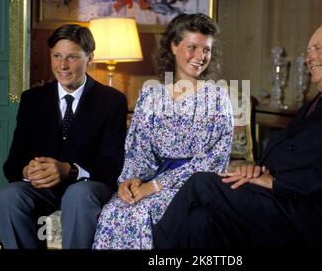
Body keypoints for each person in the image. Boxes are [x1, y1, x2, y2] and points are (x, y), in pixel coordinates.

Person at [152, 21, 322, 249]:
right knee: (202, 220)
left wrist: (276, 183)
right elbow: (288, 153)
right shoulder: (318, 102)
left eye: (317, 48)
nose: (309, 58)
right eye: (308, 51)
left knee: (201, 183)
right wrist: (257, 170)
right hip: (288, 203)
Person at [92, 13, 233, 249]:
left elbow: (214, 162)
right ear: (174, 46)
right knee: (113, 211)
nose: (200, 56)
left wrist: (155, 187)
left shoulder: (218, 98)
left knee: (142, 212)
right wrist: (131, 180)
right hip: (151, 180)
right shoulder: (151, 95)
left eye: (206, 49)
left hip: (192, 186)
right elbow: (138, 149)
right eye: (192, 47)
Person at [0, 24, 127, 249]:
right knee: (8, 197)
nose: (63, 66)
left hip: (87, 187)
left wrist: (69, 169)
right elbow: (12, 164)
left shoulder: (111, 101)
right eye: (57, 56)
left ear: (90, 57)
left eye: (72, 57)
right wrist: (28, 170)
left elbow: (112, 165)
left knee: (78, 194)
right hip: (42, 189)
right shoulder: (32, 99)